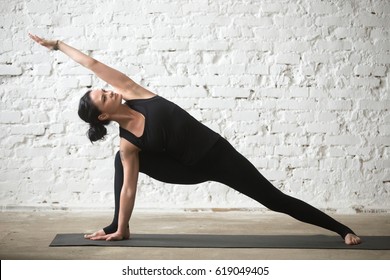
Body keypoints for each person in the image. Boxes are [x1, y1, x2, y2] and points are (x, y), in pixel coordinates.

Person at [29, 33, 361, 245]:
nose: (108, 89)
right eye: (103, 95)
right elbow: (129, 187)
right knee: (122, 160)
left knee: (274, 199)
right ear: (103, 115)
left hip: (217, 154)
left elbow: (93, 62)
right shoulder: (128, 142)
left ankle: (341, 229)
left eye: (102, 87)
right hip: (187, 170)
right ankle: (119, 227)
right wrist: (123, 222)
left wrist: (57, 45)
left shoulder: (135, 93)